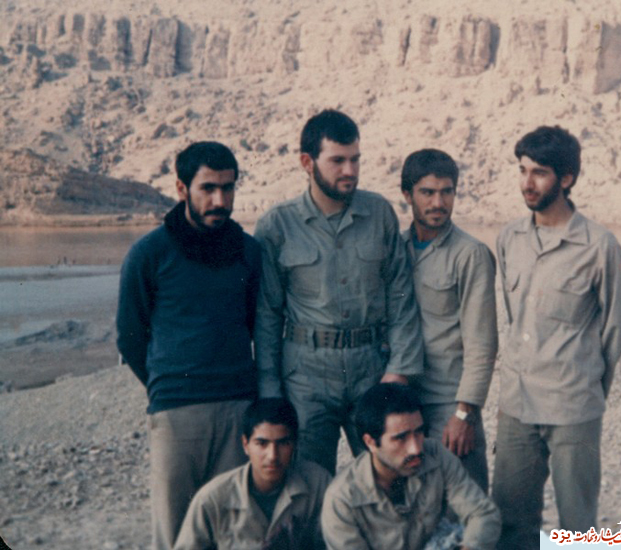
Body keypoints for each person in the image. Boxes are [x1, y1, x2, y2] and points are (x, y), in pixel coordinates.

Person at [254, 109, 423, 474]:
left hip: (372, 370)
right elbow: (267, 314)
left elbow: (401, 298)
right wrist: (270, 389)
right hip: (306, 377)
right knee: (307, 481)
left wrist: (398, 372)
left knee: (389, 477)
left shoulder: (379, 214)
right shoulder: (278, 225)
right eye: (338, 161)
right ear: (307, 162)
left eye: (355, 159)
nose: (350, 170)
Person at [493, 126, 621, 548]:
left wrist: (586, 381)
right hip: (517, 406)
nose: (527, 183)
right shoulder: (510, 238)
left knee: (577, 528)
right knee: (511, 523)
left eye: (539, 173)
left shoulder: (599, 246)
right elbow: (515, 317)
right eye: (522, 171)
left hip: (573, 407)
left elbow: (618, 326)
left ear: (567, 178)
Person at [116, 141, 262, 550]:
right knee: (175, 531)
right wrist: (165, 385)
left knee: (233, 528)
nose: (220, 200)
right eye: (208, 188)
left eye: (228, 188)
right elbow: (130, 335)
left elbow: (259, 328)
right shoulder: (149, 254)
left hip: (238, 408)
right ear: (181, 189)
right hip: (176, 412)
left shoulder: (249, 252)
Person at [400, 148, 497, 492]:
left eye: (447, 192)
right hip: (403, 399)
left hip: (449, 403)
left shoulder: (470, 255)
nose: (438, 203)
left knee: (465, 504)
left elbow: (482, 343)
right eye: (427, 192)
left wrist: (464, 413)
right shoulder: (395, 249)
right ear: (407, 195)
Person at [321, 383, 501, 550]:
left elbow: (483, 514)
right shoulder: (342, 500)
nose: (415, 448)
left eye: (419, 432)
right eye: (401, 438)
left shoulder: (435, 454)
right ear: (370, 442)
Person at [174, 398, 331, 550]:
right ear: (245, 444)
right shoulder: (213, 498)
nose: (272, 456)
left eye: (283, 443)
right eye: (262, 444)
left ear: (294, 444)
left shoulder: (318, 484)